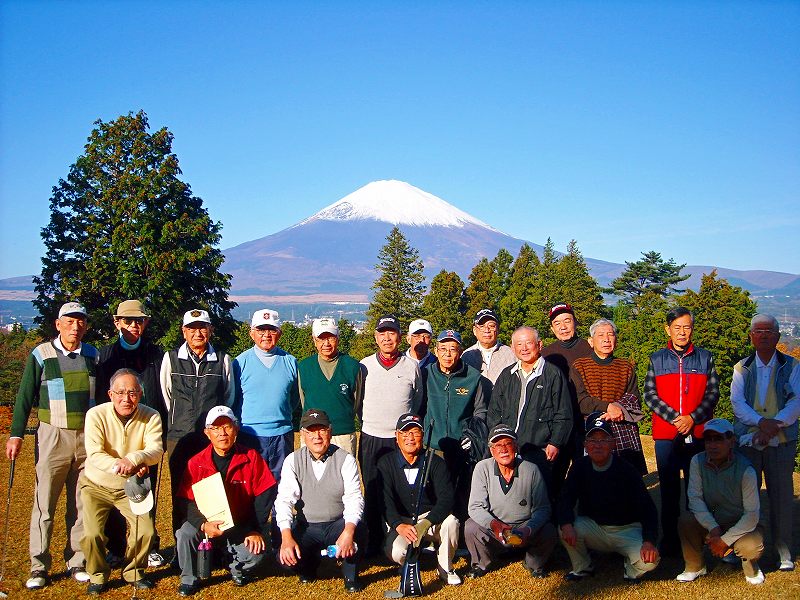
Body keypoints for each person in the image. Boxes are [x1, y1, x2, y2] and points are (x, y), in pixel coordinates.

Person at [6, 301, 98, 589]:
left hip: (87, 435)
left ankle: (77, 560)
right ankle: (38, 565)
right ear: (58, 324)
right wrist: (16, 434)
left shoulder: (93, 354)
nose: (75, 326)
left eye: (80, 321)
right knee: (45, 503)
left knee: (81, 503)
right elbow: (25, 396)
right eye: (69, 321)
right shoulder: (41, 354)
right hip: (52, 434)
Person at [174, 406, 277, 596]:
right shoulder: (195, 462)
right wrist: (203, 525)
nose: (222, 433)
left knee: (258, 552)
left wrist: (254, 529)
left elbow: (266, 492)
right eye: (215, 428)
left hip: (240, 525)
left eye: (227, 427)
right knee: (184, 534)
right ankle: (189, 578)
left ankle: (234, 567)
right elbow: (185, 500)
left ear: (236, 429)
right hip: (207, 524)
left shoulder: (251, 457)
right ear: (207, 433)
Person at [643, 306, 719, 556]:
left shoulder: (705, 358)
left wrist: (692, 418)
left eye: (687, 327)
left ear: (692, 329)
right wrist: (676, 419)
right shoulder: (657, 358)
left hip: (697, 435)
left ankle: (695, 542)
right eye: (677, 327)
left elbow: (712, 394)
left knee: (695, 491)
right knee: (669, 491)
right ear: (668, 329)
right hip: (666, 435)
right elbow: (650, 395)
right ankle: (671, 542)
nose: (682, 332)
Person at [96, 299, 167, 567]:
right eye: (127, 321)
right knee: (114, 490)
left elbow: (162, 395)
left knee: (144, 491)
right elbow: (100, 399)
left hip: (145, 434)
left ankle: (149, 547)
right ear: (117, 323)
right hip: (113, 434)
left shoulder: (157, 355)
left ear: (145, 323)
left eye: (139, 321)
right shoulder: (105, 355)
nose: (133, 326)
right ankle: (115, 547)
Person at [80, 368, 164, 594]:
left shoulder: (151, 415)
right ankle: (97, 575)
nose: (126, 399)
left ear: (140, 393)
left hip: (133, 486)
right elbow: (95, 454)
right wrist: (122, 465)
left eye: (133, 392)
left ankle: (133, 571)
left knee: (146, 531)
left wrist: (134, 458)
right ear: (110, 394)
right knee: (92, 534)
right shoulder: (95, 415)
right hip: (96, 485)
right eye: (120, 392)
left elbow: (156, 450)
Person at [558, 412, 660, 583]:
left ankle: (631, 569)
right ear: (585, 444)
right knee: (564, 527)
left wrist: (649, 541)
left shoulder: (627, 469)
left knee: (651, 561)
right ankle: (582, 567)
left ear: (613, 444)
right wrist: (566, 524)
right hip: (594, 528)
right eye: (593, 440)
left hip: (626, 529)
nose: (598, 445)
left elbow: (648, 509)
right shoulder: (579, 467)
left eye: (603, 440)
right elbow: (565, 499)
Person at [161, 309, 235, 544]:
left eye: (203, 327)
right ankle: (181, 545)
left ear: (211, 330)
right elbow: (167, 396)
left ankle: (214, 544)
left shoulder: (222, 359)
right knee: (180, 493)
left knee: (213, 492)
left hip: (211, 439)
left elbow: (228, 398)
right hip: (180, 437)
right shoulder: (170, 358)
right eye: (192, 328)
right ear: (184, 331)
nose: (198, 333)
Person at [731, 313, 799, 571]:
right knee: (747, 498)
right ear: (751, 336)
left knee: (781, 497)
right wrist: (762, 423)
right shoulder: (742, 368)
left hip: (781, 442)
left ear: (778, 336)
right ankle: (744, 548)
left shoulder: (792, 366)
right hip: (749, 440)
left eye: (768, 331)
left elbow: (796, 402)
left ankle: (784, 553)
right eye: (758, 331)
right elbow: (738, 404)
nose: (763, 335)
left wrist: (772, 426)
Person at [277, 409, 366, 593]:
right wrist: (286, 538)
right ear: (303, 434)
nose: (317, 436)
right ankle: (308, 566)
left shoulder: (345, 459)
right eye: (311, 431)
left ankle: (350, 575)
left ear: (330, 432)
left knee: (359, 530)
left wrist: (348, 532)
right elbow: (284, 500)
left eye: (322, 430)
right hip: (307, 526)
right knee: (284, 558)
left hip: (336, 524)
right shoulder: (292, 461)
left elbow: (354, 498)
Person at [358, 314, 423, 554]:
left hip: (402, 440)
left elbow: (417, 401)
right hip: (371, 436)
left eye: (392, 332)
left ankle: (404, 540)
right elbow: (358, 402)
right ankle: (374, 543)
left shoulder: (412, 366)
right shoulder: (364, 366)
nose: (387, 338)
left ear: (399, 336)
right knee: (374, 490)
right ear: (376, 337)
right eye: (382, 333)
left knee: (402, 490)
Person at [677, 418, 765, 585]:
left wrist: (725, 540)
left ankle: (752, 570)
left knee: (751, 546)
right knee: (686, 520)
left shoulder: (746, 469)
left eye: (718, 439)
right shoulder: (696, 461)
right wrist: (714, 528)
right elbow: (694, 499)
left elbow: (752, 515)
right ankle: (695, 567)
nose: (712, 445)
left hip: (740, 523)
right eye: (708, 439)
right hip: (713, 521)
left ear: (731, 441)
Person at [465, 424, 557, 579]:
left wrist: (529, 529)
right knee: (470, 527)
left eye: (508, 443)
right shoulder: (482, 468)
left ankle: (534, 564)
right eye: (498, 445)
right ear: (491, 450)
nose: (503, 449)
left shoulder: (531, 469)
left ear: (516, 447)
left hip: (524, 528)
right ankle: (481, 564)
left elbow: (543, 508)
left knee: (549, 530)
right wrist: (494, 524)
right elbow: (475, 507)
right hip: (495, 528)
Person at [378, 413, 461, 585]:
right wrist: (398, 525)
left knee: (452, 522)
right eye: (405, 433)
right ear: (397, 436)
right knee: (397, 552)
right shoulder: (385, 463)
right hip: (402, 522)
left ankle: (446, 566)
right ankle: (409, 561)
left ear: (422, 435)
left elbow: (446, 499)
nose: (410, 438)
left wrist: (426, 523)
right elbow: (385, 501)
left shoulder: (435, 462)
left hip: (430, 519)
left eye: (415, 432)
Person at [488, 326, 572, 493]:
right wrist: (497, 440)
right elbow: (494, 410)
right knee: (509, 493)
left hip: (539, 449)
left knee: (540, 496)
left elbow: (563, 414)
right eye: (519, 344)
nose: (524, 348)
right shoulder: (507, 375)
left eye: (528, 343)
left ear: (539, 345)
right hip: (508, 448)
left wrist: (555, 442)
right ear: (513, 348)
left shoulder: (553, 374)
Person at [570, 318, 647, 475]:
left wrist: (617, 409)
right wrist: (607, 408)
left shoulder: (626, 367)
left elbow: (634, 398)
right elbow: (580, 400)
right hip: (591, 428)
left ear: (616, 340)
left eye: (610, 335)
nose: (606, 339)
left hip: (621, 428)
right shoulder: (580, 366)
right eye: (601, 335)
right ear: (591, 341)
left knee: (624, 480)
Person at [423, 329, 486, 519]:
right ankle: (432, 536)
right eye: (443, 349)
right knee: (432, 493)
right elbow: (417, 408)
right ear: (436, 350)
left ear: (460, 351)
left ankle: (458, 539)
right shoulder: (426, 374)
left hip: (461, 447)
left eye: (453, 349)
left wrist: (471, 435)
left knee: (461, 493)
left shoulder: (473, 377)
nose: (447, 354)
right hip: (433, 446)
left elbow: (480, 411)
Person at [234, 308, 299, 481]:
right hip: (250, 435)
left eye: (272, 330)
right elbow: (234, 399)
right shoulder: (240, 363)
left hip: (282, 436)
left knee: (282, 488)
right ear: (251, 333)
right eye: (261, 330)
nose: (266, 335)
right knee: (251, 486)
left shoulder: (290, 362)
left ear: (280, 333)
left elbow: (294, 398)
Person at [540, 303, 594, 498]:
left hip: (585, 422)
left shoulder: (590, 348)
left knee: (586, 475)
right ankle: (555, 523)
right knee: (555, 476)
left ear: (575, 322)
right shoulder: (546, 355)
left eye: (567, 321)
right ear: (552, 328)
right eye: (557, 323)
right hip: (558, 425)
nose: (563, 327)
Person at [298, 317, 364, 456]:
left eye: (331, 338)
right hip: (312, 434)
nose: (326, 343)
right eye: (321, 338)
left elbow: (356, 401)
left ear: (338, 338)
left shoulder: (352, 366)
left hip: (343, 433)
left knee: (344, 475)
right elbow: (303, 399)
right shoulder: (304, 367)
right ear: (314, 340)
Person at [462, 309, 516, 395]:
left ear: (497, 329)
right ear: (474, 330)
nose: (486, 330)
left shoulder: (511, 354)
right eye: (482, 326)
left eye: (491, 326)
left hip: (503, 406)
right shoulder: (466, 356)